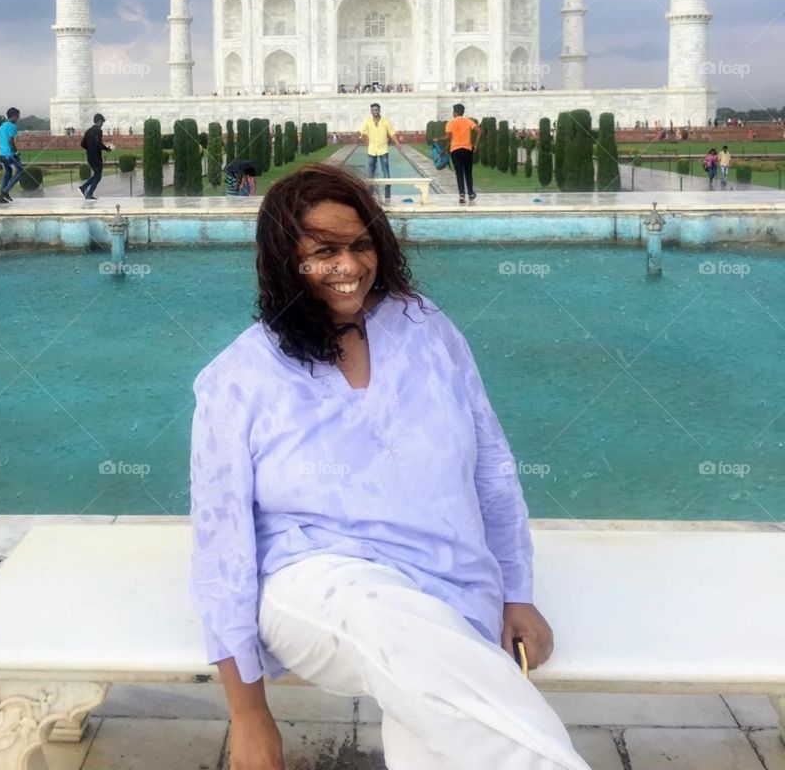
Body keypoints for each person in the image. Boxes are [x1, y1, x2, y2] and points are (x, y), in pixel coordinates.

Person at [190, 165, 590, 770]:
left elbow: (492, 469)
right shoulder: (239, 378)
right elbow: (222, 545)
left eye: (360, 245)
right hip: (314, 584)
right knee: (385, 617)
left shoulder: (424, 328)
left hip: (448, 580)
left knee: (439, 731)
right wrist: (249, 717)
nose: (349, 266)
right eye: (323, 251)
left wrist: (517, 592)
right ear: (283, 260)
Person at [358, 102, 402, 201]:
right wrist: (357, 134)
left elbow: (392, 133)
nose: (375, 111)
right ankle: (370, 195)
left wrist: (397, 143)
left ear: (379, 110)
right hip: (372, 149)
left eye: (377, 109)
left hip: (383, 149)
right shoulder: (367, 121)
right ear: (371, 111)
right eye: (374, 110)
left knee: (386, 172)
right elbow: (361, 131)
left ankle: (387, 195)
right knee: (370, 173)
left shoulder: (385, 121)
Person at [441, 103, 480, 204]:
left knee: (459, 173)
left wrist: (437, 139)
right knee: (468, 173)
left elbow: (447, 137)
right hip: (467, 149)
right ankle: (471, 193)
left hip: (455, 151)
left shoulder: (450, 123)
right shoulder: (468, 121)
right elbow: (479, 131)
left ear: (455, 112)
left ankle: (462, 196)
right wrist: (475, 145)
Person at [79, 113, 112, 201]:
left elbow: (82, 144)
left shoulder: (88, 131)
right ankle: (89, 193)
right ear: (99, 121)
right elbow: (98, 144)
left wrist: (90, 149)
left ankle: (83, 188)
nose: (102, 124)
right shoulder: (98, 131)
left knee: (97, 174)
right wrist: (107, 149)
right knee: (98, 176)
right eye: (102, 122)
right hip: (96, 157)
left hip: (90, 157)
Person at [0, 107, 24, 205]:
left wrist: (1, 147)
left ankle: (0, 196)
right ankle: (5, 191)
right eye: (17, 116)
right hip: (10, 154)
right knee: (20, 171)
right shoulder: (13, 126)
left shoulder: (2, 126)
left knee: (8, 172)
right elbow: (11, 140)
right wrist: (16, 152)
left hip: (2, 154)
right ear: (13, 116)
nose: (18, 118)